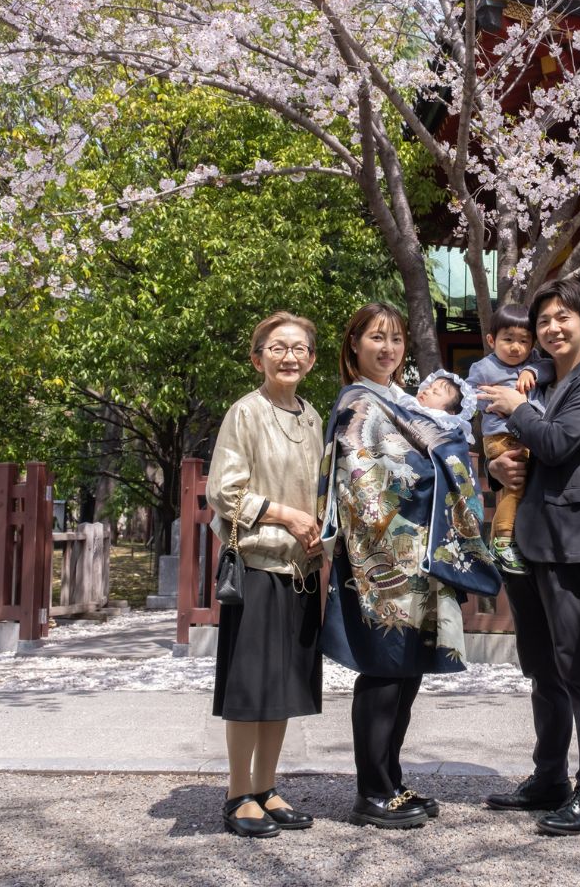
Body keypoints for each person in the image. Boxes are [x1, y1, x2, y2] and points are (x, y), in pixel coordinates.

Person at [319, 303, 501, 829]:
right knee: (383, 668)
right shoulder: (357, 402)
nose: (389, 348)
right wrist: (429, 480)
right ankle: (371, 791)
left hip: (418, 557)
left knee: (406, 672)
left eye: (396, 338)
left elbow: (442, 448)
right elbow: (360, 483)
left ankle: (390, 781)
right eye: (376, 338)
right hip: (383, 558)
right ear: (354, 344)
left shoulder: (399, 399)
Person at [479, 278, 580, 836]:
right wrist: (497, 468)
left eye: (564, 317)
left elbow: (557, 444)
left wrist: (516, 408)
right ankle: (549, 777)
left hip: (569, 543)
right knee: (540, 666)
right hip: (529, 537)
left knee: (579, 668)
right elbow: (530, 453)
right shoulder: (549, 384)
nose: (553, 328)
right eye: (544, 322)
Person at [206, 312, 325, 839]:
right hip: (256, 565)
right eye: (277, 348)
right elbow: (224, 493)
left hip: (300, 568)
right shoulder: (245, 413)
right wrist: (288, 515)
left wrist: (321, 525)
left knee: (282, 688)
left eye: (299, 348)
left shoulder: (313, 416)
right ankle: (237, 793)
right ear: (258, 358)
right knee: (251, 687)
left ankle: (267, 786)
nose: (289, 356)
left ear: (312, 359)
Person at [466, 304, 547, 573]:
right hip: (502, 434)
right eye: (508, 339)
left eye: (523, 341)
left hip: (525, 434)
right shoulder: (485, 368)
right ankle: (501, 539)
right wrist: (491, 403)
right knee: (516, 486)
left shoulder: (532, 363)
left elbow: (547, 367)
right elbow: (468, 397)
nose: (516, 347)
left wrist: (531, 372)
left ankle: (502, 541)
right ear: (492, 340)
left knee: (519, 486)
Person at [412, 368, 478, 444]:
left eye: (435, 392)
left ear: (450, 413)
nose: (426, 391)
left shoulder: (450, 438)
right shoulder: (403, 406)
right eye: (428, 387)